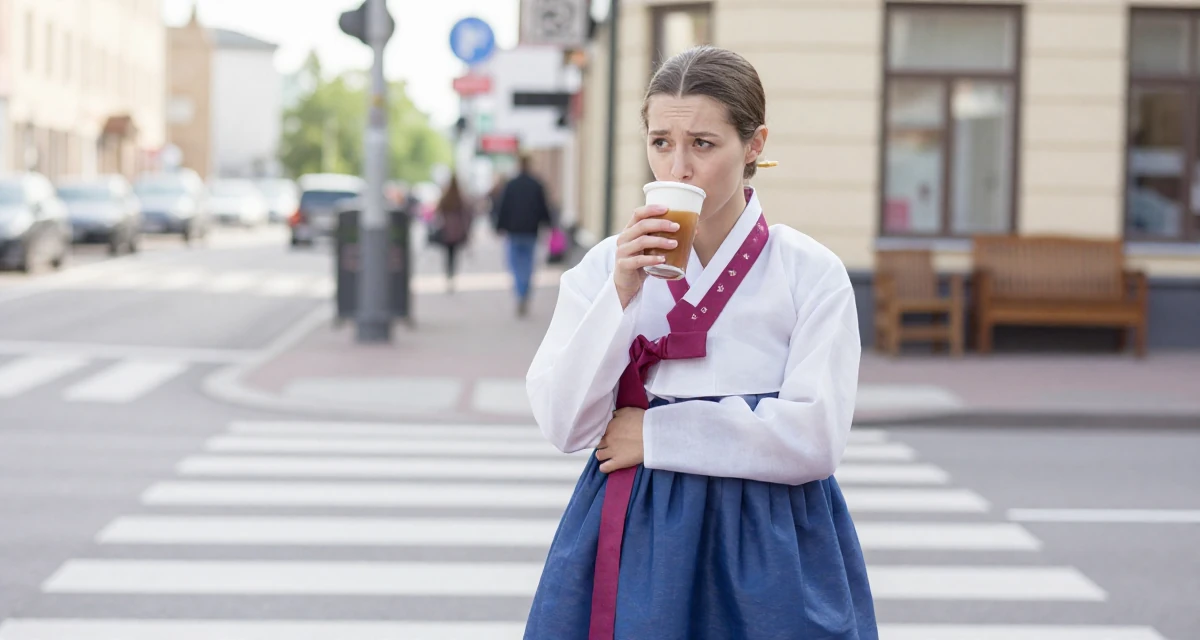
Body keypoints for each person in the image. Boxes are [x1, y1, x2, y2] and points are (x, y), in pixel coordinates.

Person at [523, 46, 877, 639]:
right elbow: (564, 425)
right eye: (660, 142)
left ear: (754, 146)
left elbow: (815, 438)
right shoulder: (606, 267)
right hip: (639, 527)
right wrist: (621, 295)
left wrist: (656, 433)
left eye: (703, 144)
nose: (677, 169)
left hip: (771, 540)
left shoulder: (808, 272)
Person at [493, 154, 553, 316]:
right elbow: (544, 207)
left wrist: (499, 226)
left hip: (514, 231)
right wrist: (549, 224)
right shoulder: (536, 184)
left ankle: (520, 292)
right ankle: (525, 291)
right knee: (528, 264)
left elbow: (502, 207)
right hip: (531, 231)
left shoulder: (511, 185)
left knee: (514, 264)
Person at [430, 175, 472, 293]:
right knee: (454, 255)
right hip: (457, 232)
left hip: (447, 231)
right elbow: (467, 215)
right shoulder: (461, 198)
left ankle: (448, 274)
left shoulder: (446, 197)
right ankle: (452, 274)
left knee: (447, 255)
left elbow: (437, 213)